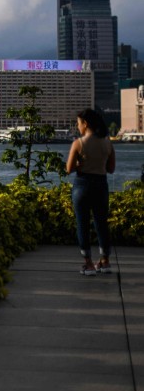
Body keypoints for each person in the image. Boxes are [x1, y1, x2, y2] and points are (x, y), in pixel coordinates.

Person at [66, 108, 116, 276]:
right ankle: (105, 261)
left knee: (83, 224)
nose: (77, 126)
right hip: (101, 185)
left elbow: (69, 168)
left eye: (78, 123)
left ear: (85, 124)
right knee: (101, 223)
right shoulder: (108, 143)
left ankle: (88, 264)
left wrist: (82, 164)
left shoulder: (78, 144)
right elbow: (111, 169)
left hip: (82, 185)